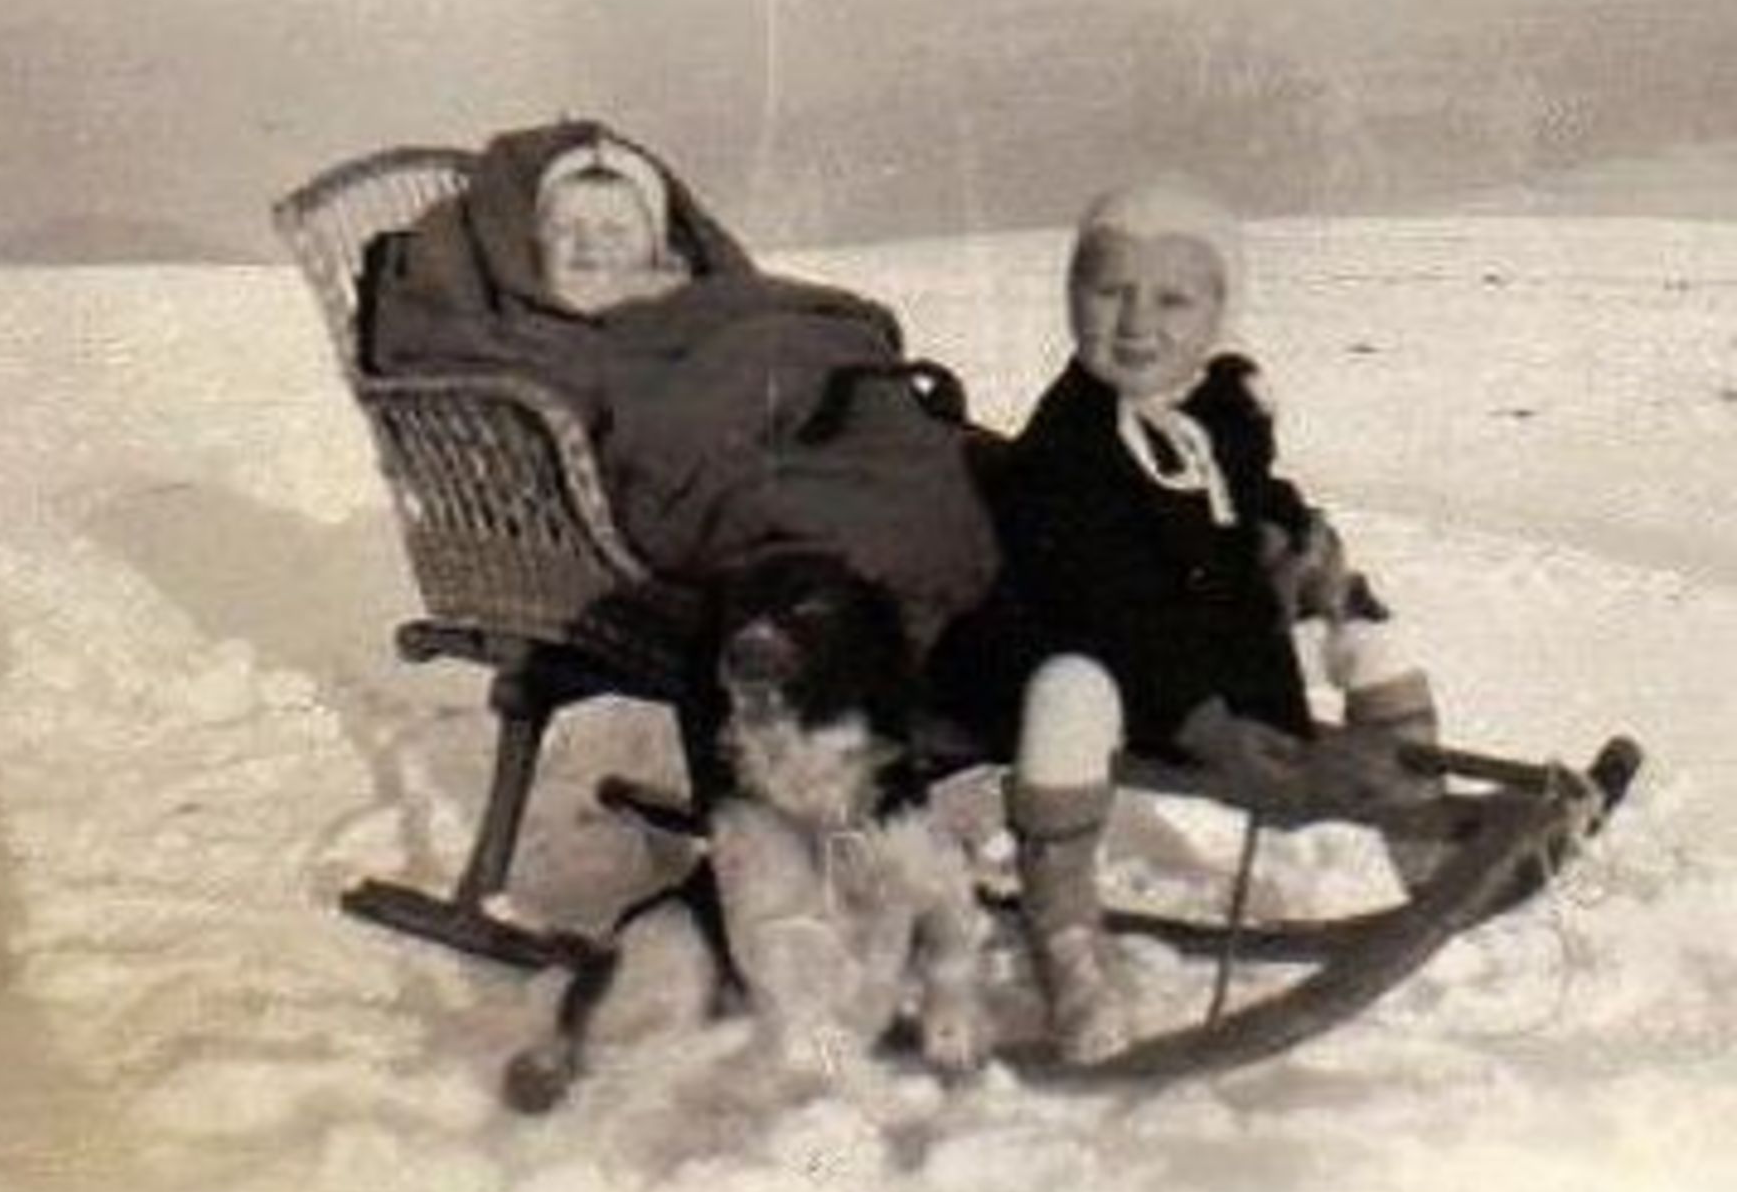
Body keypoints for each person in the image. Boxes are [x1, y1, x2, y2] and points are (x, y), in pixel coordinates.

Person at [931, 179, 1445, 1057]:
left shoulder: (1218, 410)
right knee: (1069, 690)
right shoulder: (1067, 448)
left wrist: (1295, 542)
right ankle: (1067, 941)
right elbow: (1107, 607)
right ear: (1072, 297)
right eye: (1108, 292)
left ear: (1218, 315)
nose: (1137, 323)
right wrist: (1206, 725)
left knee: (1369, 628)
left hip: (1211, 657)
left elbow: (1250, 491)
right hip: (1103, 667)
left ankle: (1425, 843)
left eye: (1173, 301)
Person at [356, 118, 1000, 656]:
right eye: (566, 232)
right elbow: (656, 441)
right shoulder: (540, 342)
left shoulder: (709, 304)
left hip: (819, 430)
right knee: (882, 527)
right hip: (713, 487)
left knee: (977, 471)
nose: (589, 249)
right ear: (532, 247)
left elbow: (815, 345)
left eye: (615, 232)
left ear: (657, 248)